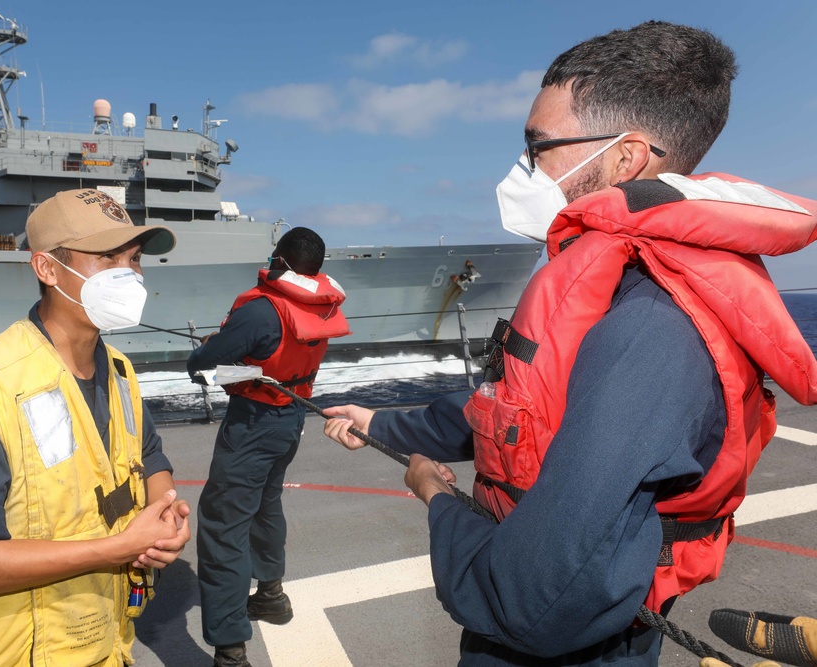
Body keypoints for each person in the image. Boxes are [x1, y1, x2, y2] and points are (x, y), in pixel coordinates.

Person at [323, 21, 817, 666]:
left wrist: (437, 498)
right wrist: (386, 423)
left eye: (540, 147)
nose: (525, 168)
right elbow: (522, 411)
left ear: (624, 158)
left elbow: (535, 600)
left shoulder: (651, 328)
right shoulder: (616, 282)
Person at [0, 188, 192, 667]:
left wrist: (163, 518)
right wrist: (118, 547)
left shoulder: (119, 372)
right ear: (48, 269)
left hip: (96, 645)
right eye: (107, 256)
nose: (129, 274)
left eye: (134, 259)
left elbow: (150, 458)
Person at [187, 227, 350, 667]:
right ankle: (271, 595)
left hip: (253, 425)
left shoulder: (263, 310)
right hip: (291, 416)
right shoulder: (317, 304)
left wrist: (205, 353)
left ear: (280, 260)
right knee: (265, 504)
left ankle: (230, 649)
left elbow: (202, 364)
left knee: (223, 524)